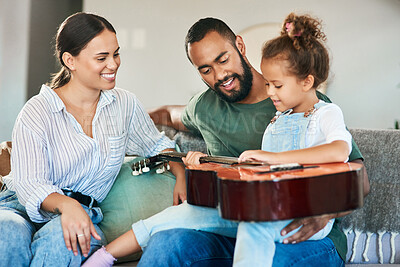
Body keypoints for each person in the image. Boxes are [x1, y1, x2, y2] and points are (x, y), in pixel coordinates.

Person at [83, 12, 359, 267]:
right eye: (205, 69)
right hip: (235, 226)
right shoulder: (204, 107)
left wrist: (324, 213)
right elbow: (173, 115)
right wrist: (131, 115)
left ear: (240, 45)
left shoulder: (303, 104)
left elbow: (355, 173)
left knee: (270, 255)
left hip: (301, 235)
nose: (219, 76)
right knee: (165, 243)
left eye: (223, 60)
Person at [0, 12, 185, 267]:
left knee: (63, 244)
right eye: (102, 57)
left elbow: (157, 145)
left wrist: (182, 175)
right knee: (5, 234)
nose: (113, 64)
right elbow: (30, 183)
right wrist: (66, 205)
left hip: (80, 211)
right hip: (19, 206)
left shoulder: (125, 104)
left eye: (116, 54)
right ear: (70, 61)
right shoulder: (37, 111)